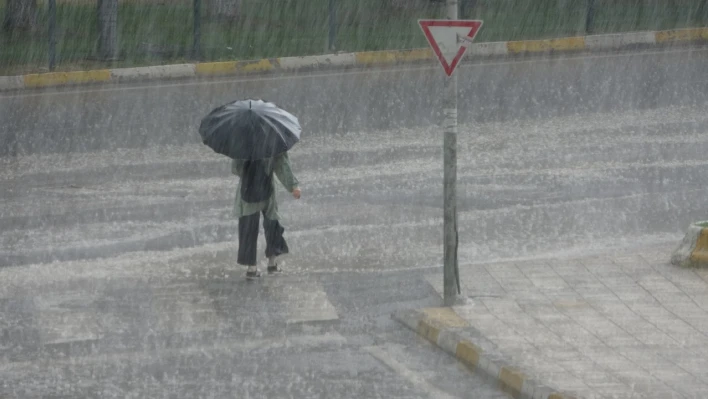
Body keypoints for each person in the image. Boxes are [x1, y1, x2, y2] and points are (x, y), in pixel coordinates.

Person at [232, 152, 301, 279]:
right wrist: (293, 186)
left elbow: (236, 169)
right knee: (272, 224)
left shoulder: (242, 141)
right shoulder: (274, 140)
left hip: (247, 190)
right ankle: (272, 263)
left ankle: (251, 267)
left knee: (248, 227)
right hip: (268, 188)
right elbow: (282, 165)